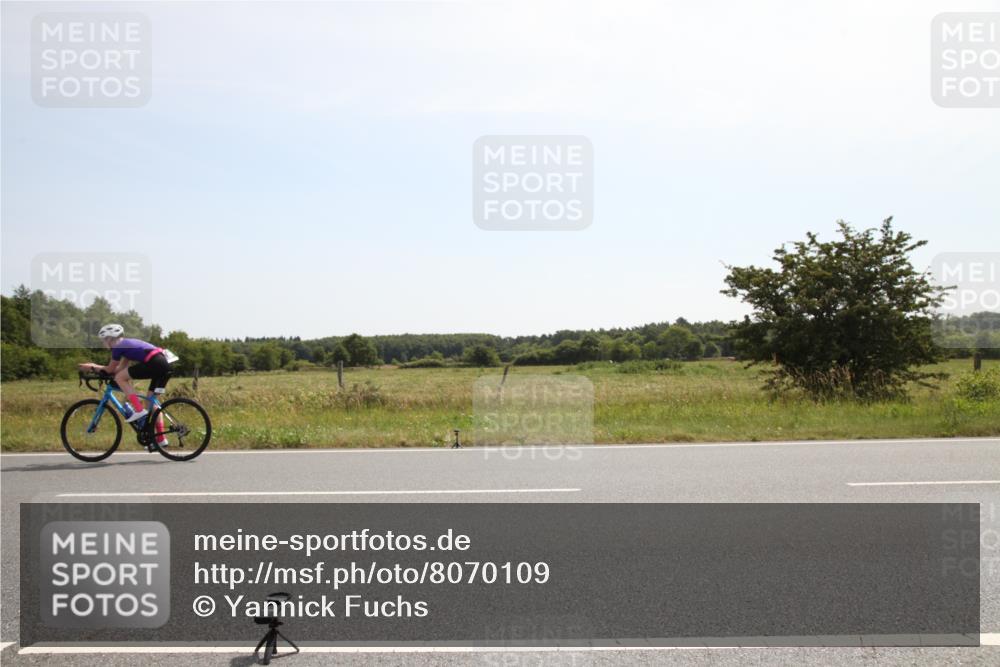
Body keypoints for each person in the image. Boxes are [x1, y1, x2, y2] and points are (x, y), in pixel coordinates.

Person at [79, 323, 170, 448]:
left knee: (120, 378)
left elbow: (111, 370)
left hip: (155, 363)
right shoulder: (126, 346)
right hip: (163, 365)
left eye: (104, 340)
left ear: (110, 339)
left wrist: (92, 367)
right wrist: (98, 368)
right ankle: (160, 439)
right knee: (151, 403)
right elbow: (119, 368)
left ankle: (138, 410)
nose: (103, 343)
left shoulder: (118, 347)